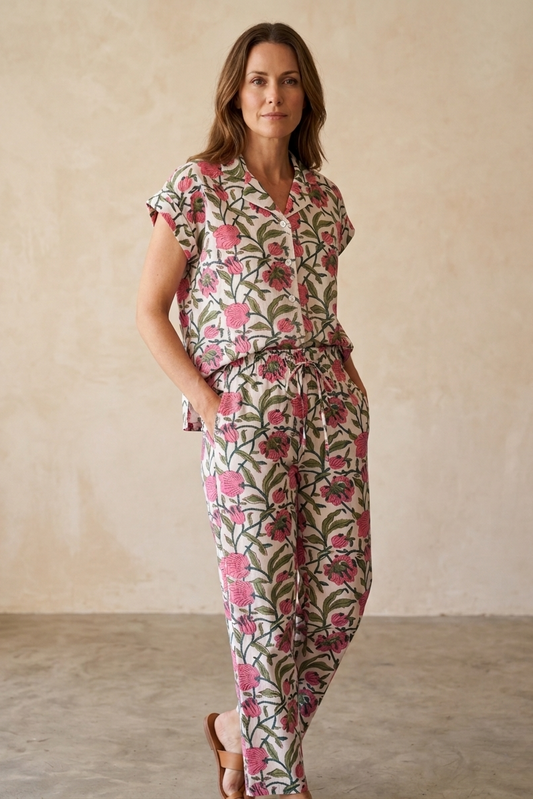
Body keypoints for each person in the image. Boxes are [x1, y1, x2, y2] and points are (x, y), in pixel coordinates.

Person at [137, 21, 371, 799]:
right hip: (244, 415)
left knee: (340, 589)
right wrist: (207, 400)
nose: (275, 95)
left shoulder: (324, 201)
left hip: (330, 408)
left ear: (308, 95)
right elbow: (148, 311)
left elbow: (319, 308)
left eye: (290, 80)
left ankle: (240, 728)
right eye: (260, 80)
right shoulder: (197, 185)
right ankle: (279, 782)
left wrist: (350, 377)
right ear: (235, 93)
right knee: (265, 607)